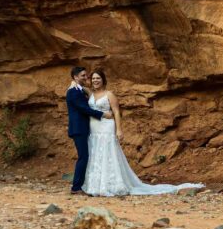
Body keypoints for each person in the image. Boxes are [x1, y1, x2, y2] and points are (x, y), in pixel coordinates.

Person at [82, 69, 204, 197]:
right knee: (95, 152)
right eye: (94, 78)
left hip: (107, 126)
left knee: (108, 152)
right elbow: (79, 85)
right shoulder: (90, 94)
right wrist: (75, 83)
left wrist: (119, 129)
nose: (96, 80)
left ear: (103, 80)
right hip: (94, 127)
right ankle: (95, 184)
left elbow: (116, 112)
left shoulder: (109, 94)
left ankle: (110, 184)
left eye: (98, 78)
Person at [65, 65, 105, 194]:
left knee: (85, 156)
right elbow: (84, 108)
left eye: (86, 75)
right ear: (75, 77)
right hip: (79, 129)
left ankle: (80, 185)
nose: (85, 77)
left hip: (83, 128)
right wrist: (102, 114)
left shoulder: (79, 90)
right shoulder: (73, 92)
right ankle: (76, 187)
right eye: (83, 76)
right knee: (83, 157)